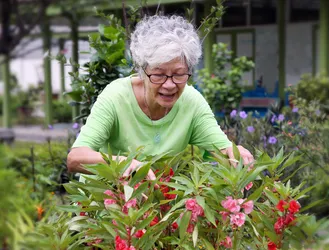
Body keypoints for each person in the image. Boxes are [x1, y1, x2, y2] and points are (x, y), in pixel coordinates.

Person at [67, 15, 254, 180]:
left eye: (179, 74)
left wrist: (234, 152)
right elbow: (76, 158)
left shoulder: (191, 101)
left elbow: (220, 148)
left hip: (157, 205)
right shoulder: (116, 97)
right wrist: (121, 163)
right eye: (158, 75)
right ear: (142, 71)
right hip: (105, 207)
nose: (170, 84)